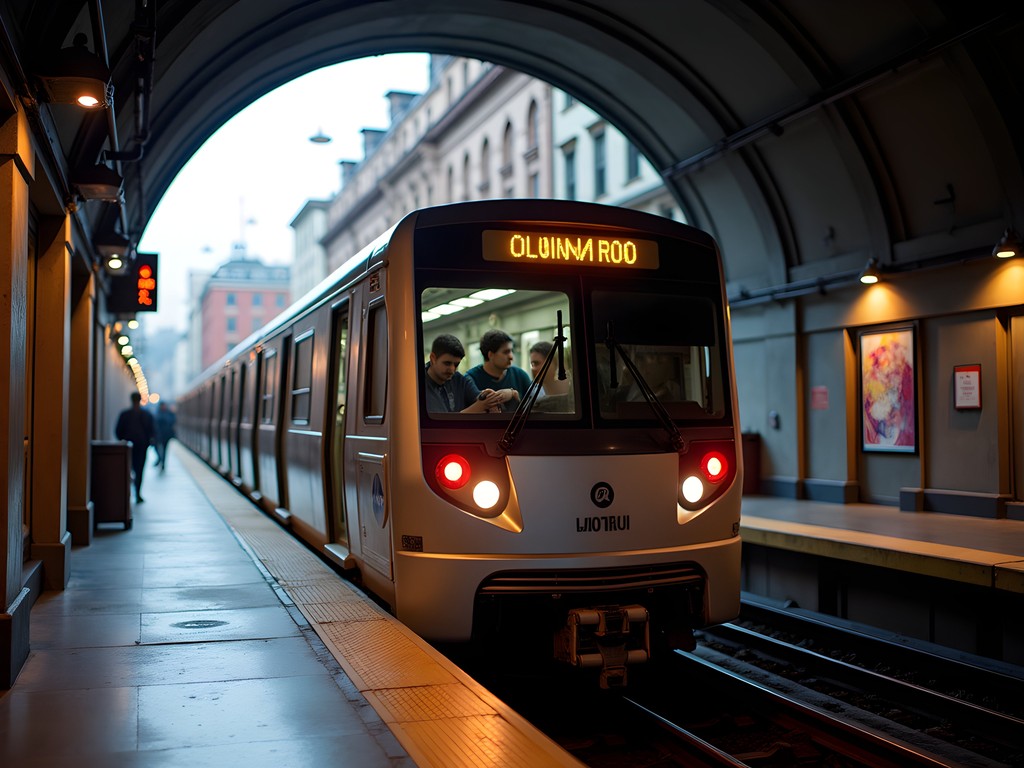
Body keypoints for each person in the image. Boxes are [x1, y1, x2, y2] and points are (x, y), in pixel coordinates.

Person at [424, 334, 512, 413]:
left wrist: (490, 397)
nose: (452, 369)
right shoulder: (417, 386)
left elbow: (478, 398)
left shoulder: (459, 380)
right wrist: (480, 406)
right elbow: (441, 423)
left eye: (456, 365)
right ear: (433, 358)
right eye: (447, 363)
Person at [465, 329, 532, 411]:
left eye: (511, 351)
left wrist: (513, 394)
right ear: (490, 355)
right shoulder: (470, 379)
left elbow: (533, 408)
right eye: (506, 352)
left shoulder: (520, 375)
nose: (511, 356)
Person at [115, 391, 156, 503]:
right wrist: (149, 442)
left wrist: (123, 440)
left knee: (129, 469)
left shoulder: (125, 415)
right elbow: (152, 431)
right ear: (139, 400)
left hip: (128, 447)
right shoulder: (147, 415)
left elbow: (118, 431)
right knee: (139, 469)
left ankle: (129, 494)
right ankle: (137, 493)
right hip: (142, 447)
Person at [153, 401, 177, 472]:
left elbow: (172, 421)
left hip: (166, 435)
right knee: (156, 447)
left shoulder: (168, 413)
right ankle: (160, 459)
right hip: (158, 435)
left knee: (164, 449)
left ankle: (162, 462)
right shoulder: (158, 413)